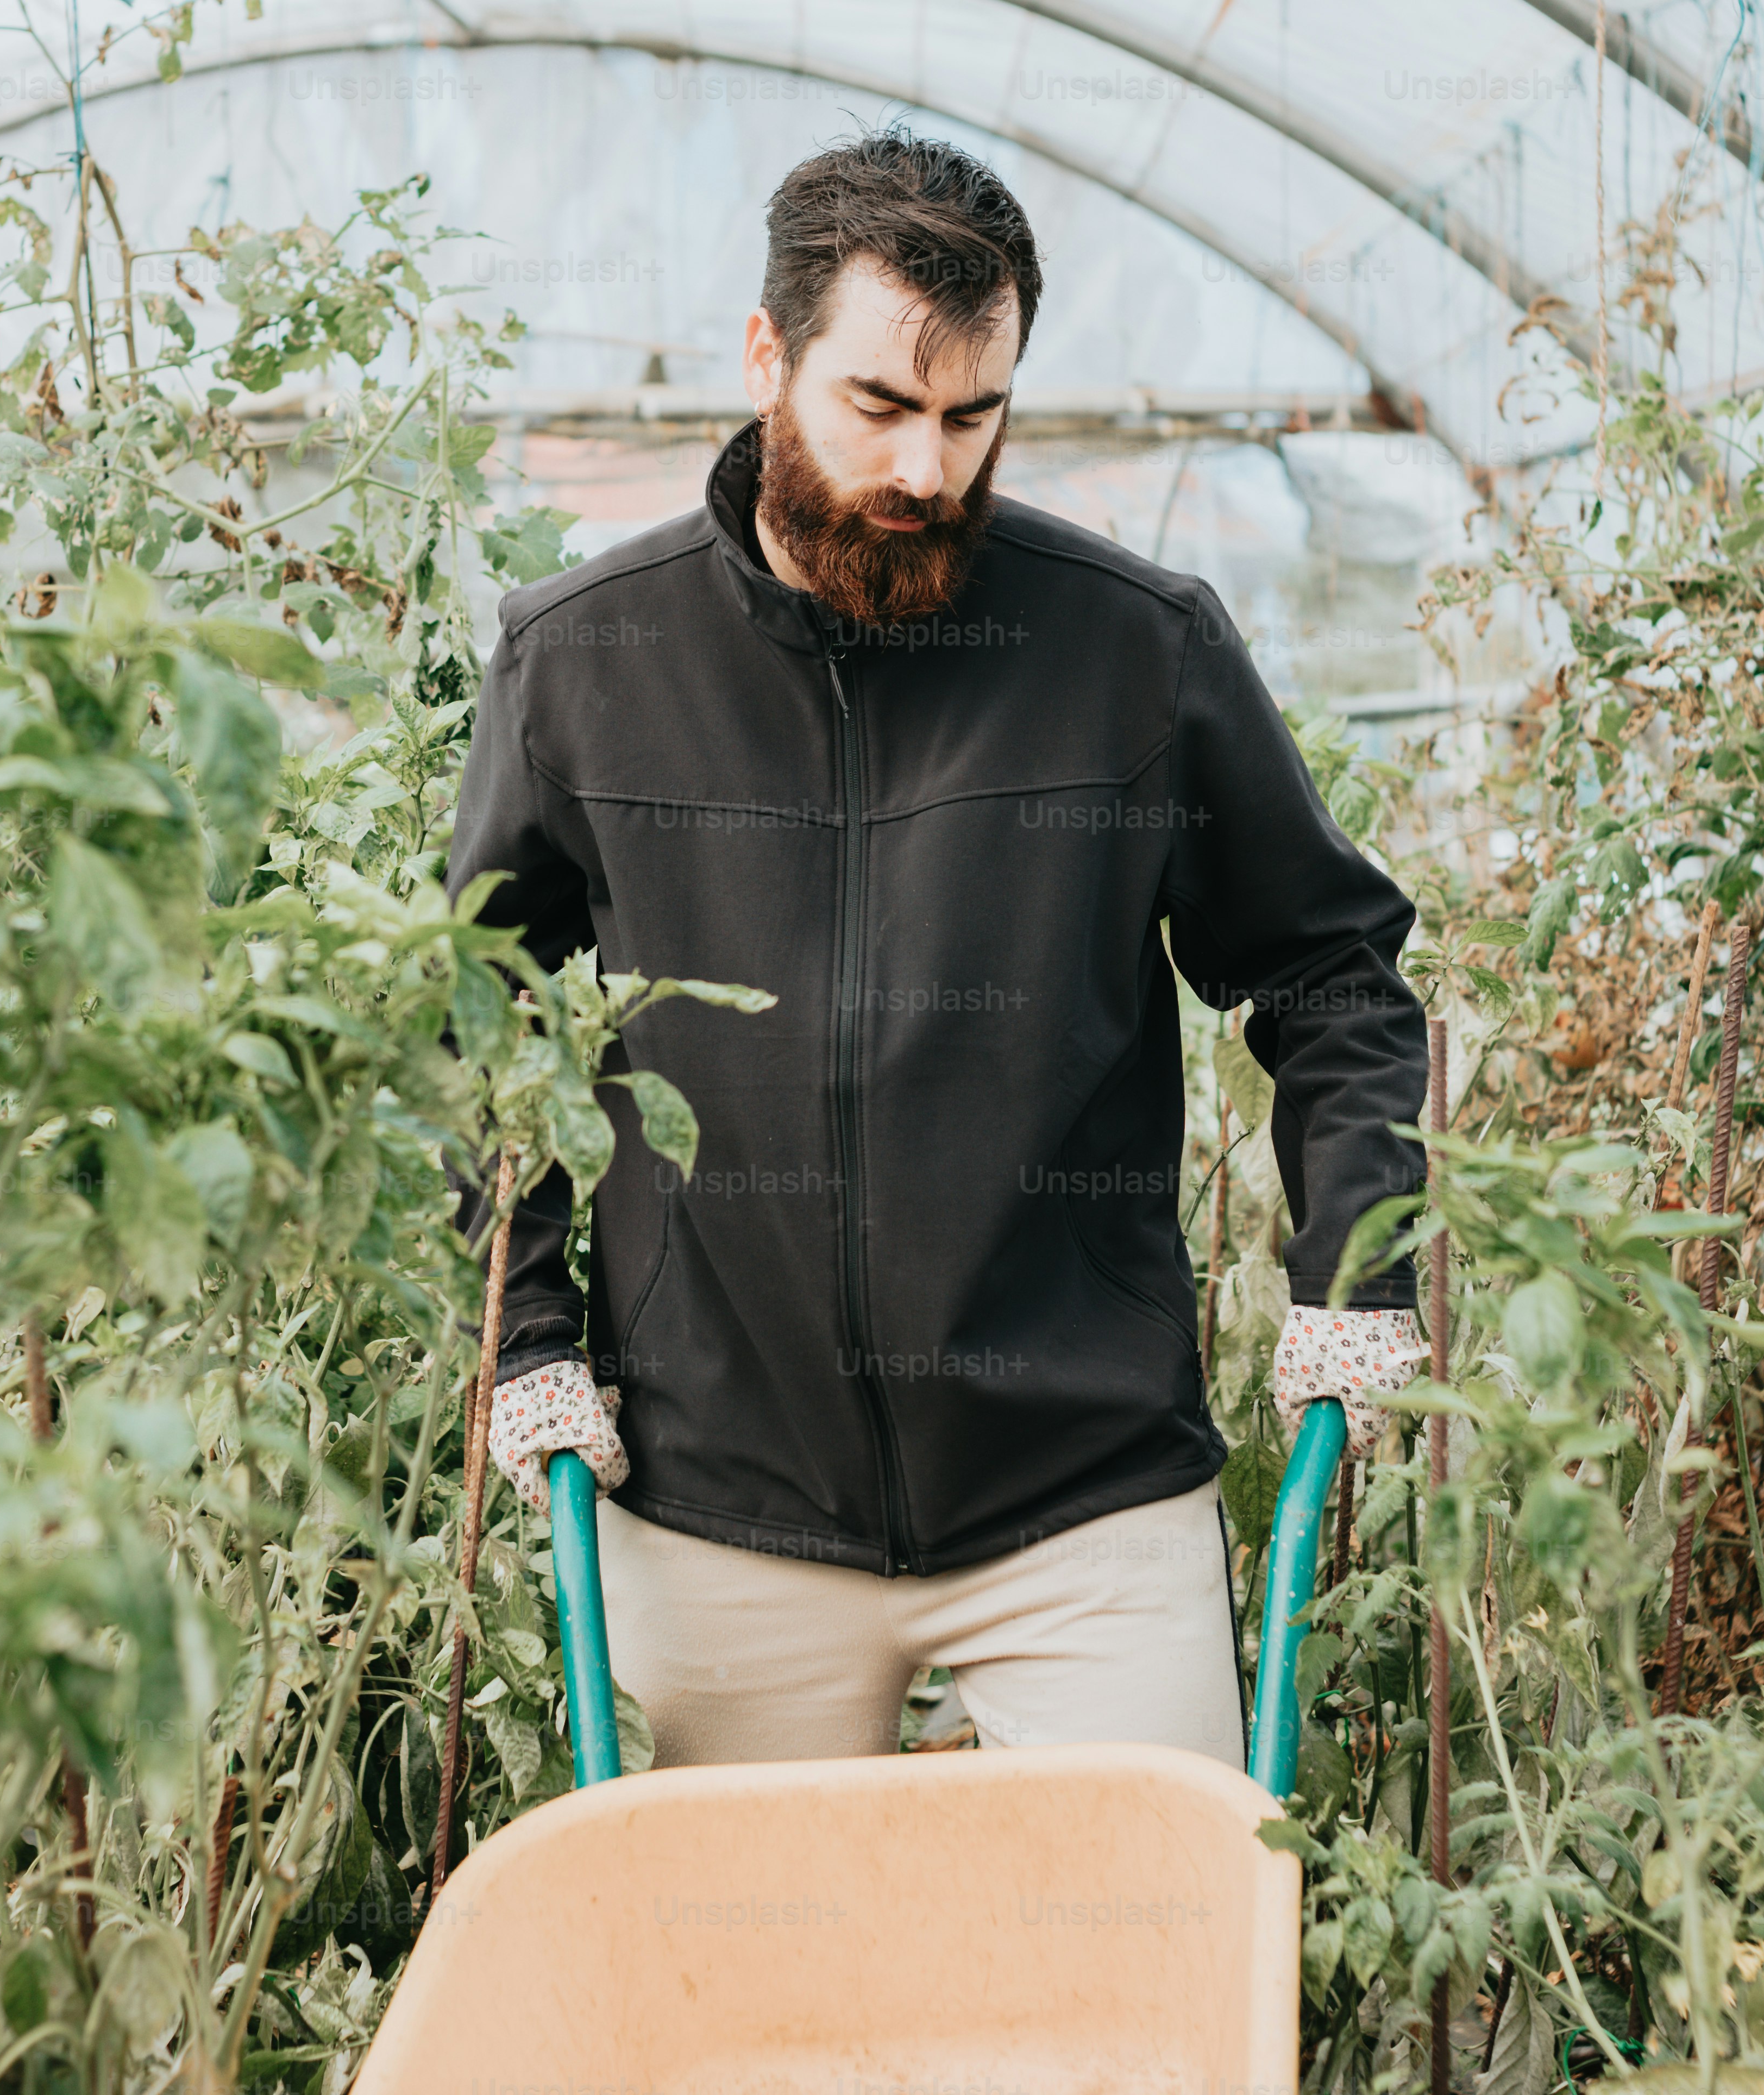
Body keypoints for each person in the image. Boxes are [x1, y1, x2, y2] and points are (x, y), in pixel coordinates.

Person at [446, 130, 1430, 1771]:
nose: (927, 474)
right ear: (767, 358)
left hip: (1083, 1505)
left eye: (975, 417)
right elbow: (485, 1013)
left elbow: (1328, 973)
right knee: (751, 2000)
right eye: (881, 410)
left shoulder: (1135, 652)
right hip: (722, 1503)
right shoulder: (586, 663)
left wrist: (1356, 1270)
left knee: (1147, 1975)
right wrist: (528, 1329)